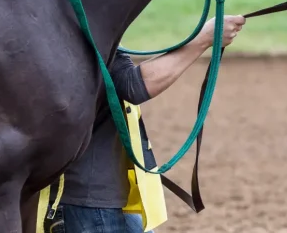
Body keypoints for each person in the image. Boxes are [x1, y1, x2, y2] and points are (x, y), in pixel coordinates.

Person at [56, 14, 247, 233]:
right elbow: (133, 84)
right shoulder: (82, 23)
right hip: (92, 202)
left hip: (96, 197)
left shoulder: (66, 22)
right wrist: (205, 38)